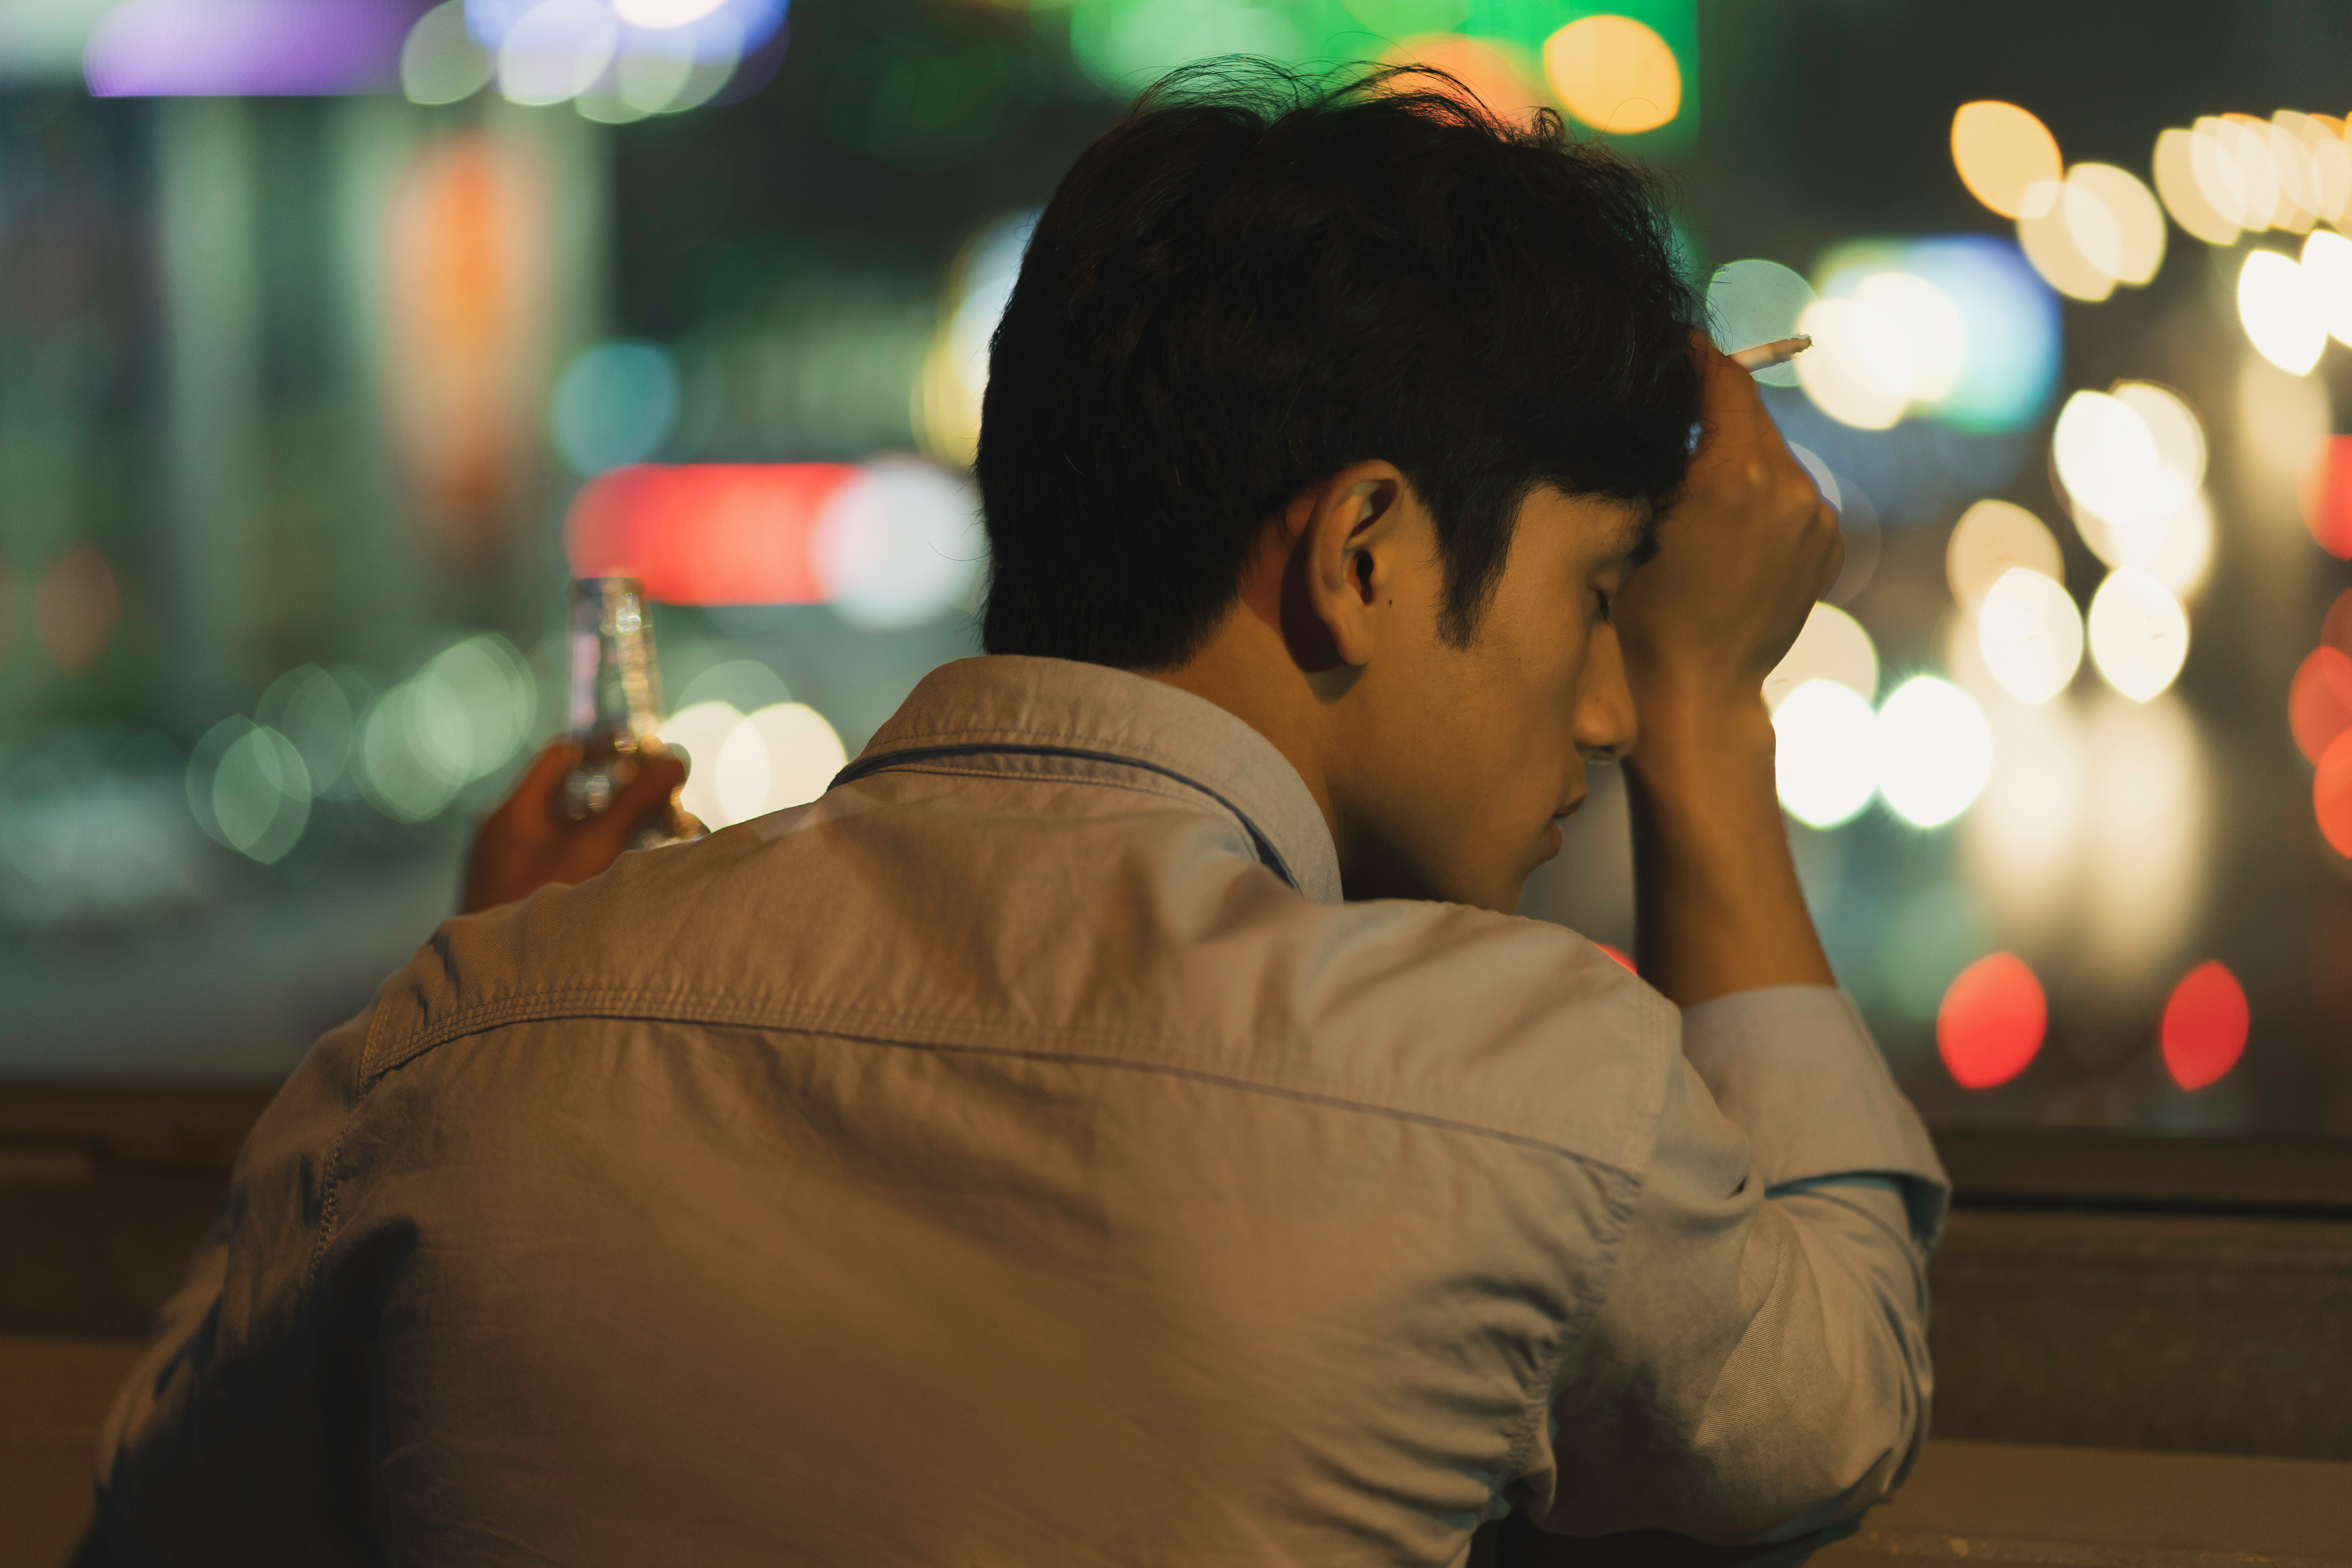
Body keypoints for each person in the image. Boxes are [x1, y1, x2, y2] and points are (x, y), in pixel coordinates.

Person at [84, 63, 1945, 1567]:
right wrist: (1715, 717)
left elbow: (159, 1517)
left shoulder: (457, 1042)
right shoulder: (1513, 1082)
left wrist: (495, 950)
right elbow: (1828, 1399)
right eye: (1600, 598)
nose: (1605, 704)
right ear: (1365, 556)